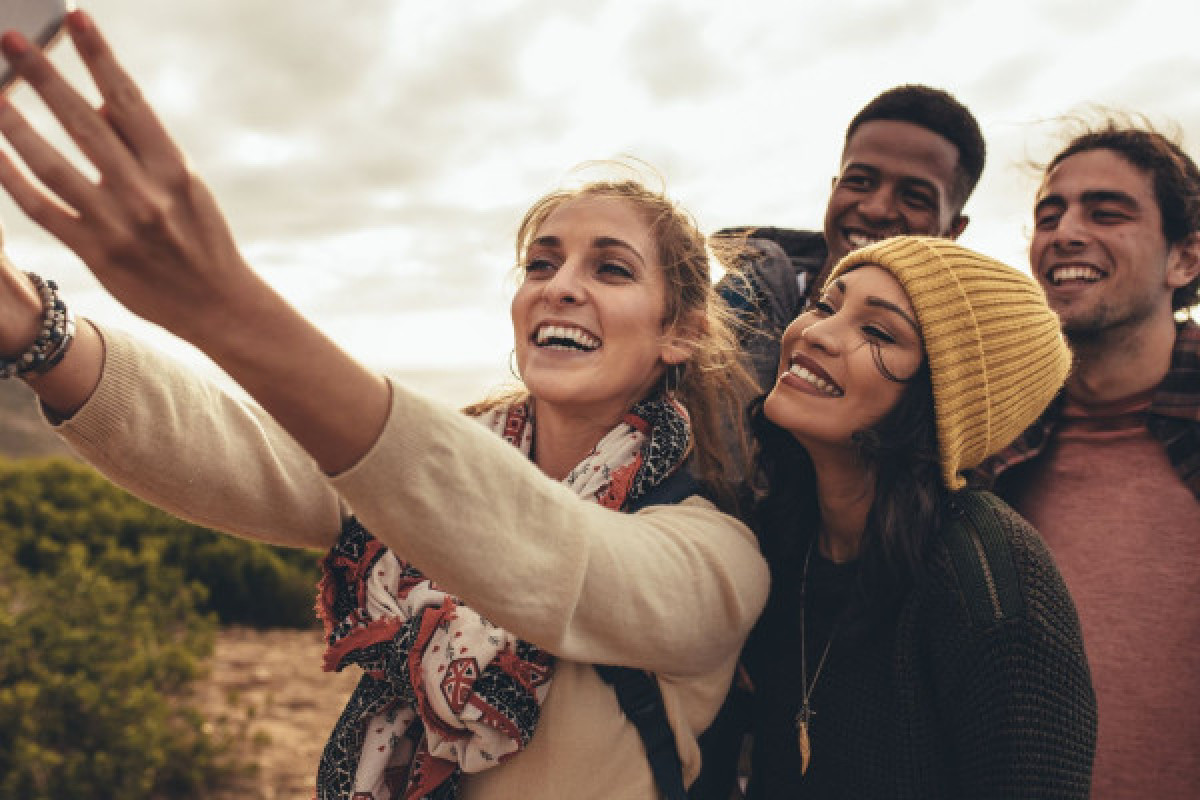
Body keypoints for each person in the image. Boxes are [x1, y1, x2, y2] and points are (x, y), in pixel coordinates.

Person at [0, 13, 769, 800]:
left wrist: (223, 302)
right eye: (542, 262)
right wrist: (36, 330)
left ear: (680, 331)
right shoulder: (428, 478)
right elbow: (239, 452)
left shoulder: (714, 562)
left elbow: (546, 552)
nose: (560, 284)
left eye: (611, 269)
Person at [742, 236, 1096, 798]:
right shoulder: (780, 535)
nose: (816, 333)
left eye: (878, 333)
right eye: (826, 306)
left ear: (947, 399)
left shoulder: (994, 583)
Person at [976, 121, 1200, 798]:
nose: (1065, 232)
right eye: (1050, 214)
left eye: (1108, 212)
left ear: (1185, 260)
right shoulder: (985, 443)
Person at [715, 84, 986, 390]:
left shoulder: (951, 376)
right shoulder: (735, 300)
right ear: (835, 187)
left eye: (915, 198)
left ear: (952, 232)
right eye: (860, 181)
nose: (876, 209)